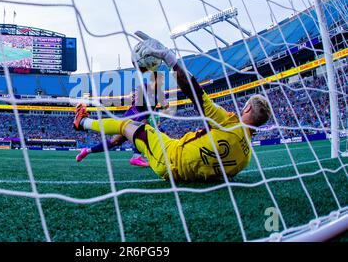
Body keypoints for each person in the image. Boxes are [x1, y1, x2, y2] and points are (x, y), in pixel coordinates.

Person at [73, 35, 272, 182]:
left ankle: (83, 121)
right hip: (181, 163)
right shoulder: (245, 159)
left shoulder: (229, 122)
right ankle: (127, 153)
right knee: (126, 133)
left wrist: (170, 59)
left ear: (246, 110)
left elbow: (194, 92)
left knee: (126, 126)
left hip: (170, 159)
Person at [75, 71, 170, 167]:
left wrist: (164, 102)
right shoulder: (144, 86)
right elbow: (136, 97)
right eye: (160, 80)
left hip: (142, 116)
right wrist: (137, 96)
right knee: (143, 128)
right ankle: (136, 157)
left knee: (115, 141)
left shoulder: (159, 94)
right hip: (134, 114)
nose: (162, 82)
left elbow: (164, 106)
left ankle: (87, 151)